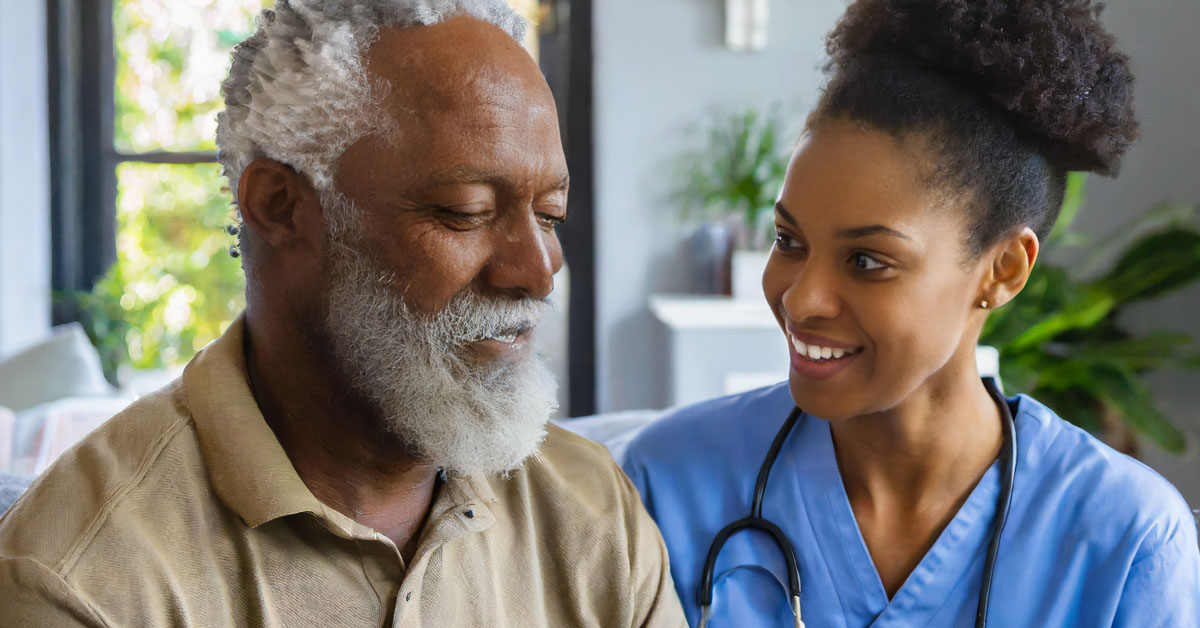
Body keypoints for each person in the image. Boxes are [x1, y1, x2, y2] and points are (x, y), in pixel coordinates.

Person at [0, 2, 686, 626]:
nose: (538, 269)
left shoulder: (598, 517)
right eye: (466, 212)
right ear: (280, 207)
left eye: (549, 215)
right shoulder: (81, 578)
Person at [622, 1, 1200, 626]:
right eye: (790, 241)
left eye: (868, 261)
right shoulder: (667, 482)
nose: (800, 298)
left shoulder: (1127, 538)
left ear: (1003, 269)